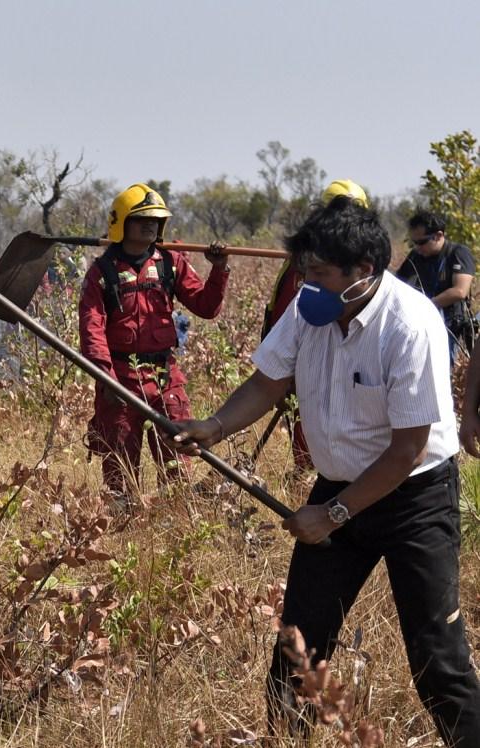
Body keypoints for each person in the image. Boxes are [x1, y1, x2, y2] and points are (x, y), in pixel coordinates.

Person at [174, 197, 480, 745]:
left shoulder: (411, 324)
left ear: (362, 272)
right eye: (305, 271)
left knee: (437, 659)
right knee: (299, 644)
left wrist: (332, 516)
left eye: (318, 272)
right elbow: (269, 382)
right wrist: (215, 427)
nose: (307, 283)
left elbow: (407, 448)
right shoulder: (310, 308)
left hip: (413, 497)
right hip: (337, 487)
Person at [78, 183, 229, 496]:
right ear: (121, 222)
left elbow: (206, 307)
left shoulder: (171, 263)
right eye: (142, 218)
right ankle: (123, 523)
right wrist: (106, 380)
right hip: (120, 378)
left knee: (177, 458)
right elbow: (92, 328)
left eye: (156, 219)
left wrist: (219, 270)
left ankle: (172, 516)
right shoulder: (102, 272)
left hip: (165, 377)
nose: (151, 224)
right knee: (119, 465)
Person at [261, 179, 370, 471]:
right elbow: (286, 316)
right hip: (310, 369)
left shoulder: (372, 271)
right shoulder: (305, 265)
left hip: (357, 375)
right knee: (309, 449)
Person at [396, 208, 475, 362]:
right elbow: (398, 283)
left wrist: (426, 305)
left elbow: (460, 291)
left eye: (422, 242)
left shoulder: (458, 253)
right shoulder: (416, 256)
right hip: (422, 324)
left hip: (451, 326)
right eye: (414, 243)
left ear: (439, 235)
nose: (417, 247)